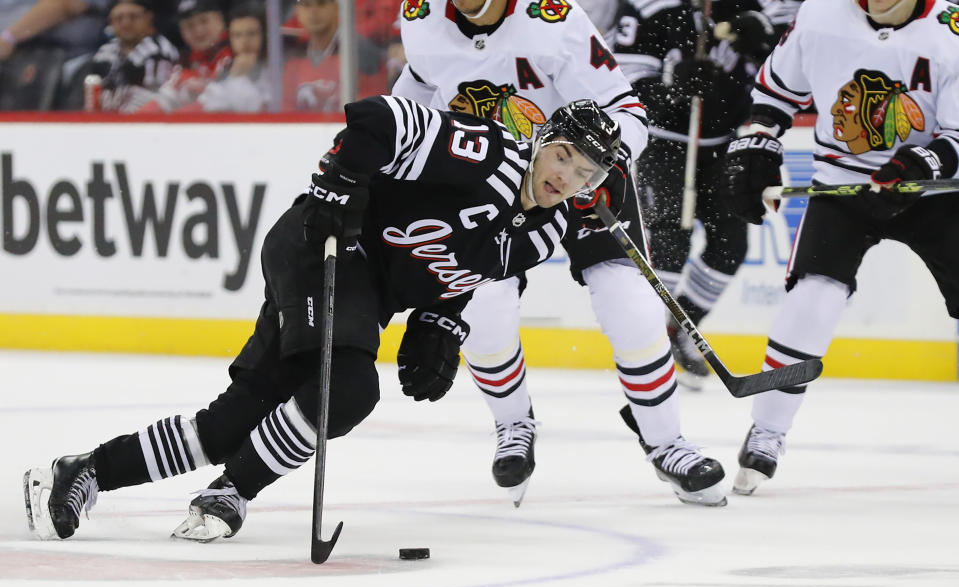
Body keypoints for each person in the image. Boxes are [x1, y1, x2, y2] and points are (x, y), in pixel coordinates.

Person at [23, 95, 623, 542]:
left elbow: (462, 276)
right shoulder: (483, 152)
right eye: (564, 157)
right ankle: (233, 491)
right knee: (351, 388)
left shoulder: (548, 232)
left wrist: (440, 324)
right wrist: (339, 180)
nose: (565, 177)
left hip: (362, 291)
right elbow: (379, 120)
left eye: (585, 174)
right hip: (322, 248)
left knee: (235, 422)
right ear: (543, 138)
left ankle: (87, 470)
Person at [393, 0, 727, 507]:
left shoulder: (552, 21)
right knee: (482, 307)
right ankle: (512, 426)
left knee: (630, 303)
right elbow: (415, 91)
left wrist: (601, 168)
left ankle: (665, 441)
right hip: (488, 186)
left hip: (576, 179)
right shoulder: (419, 15)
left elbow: (627, 112)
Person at [718, 0, 959, 495]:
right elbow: (774, 93)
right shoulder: (821, 13)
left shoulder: (950, 30)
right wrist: (759, 140)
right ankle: (767, 430)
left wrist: (920, 165)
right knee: (814, 295)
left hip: (938, 192)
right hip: (843, 185)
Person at [612, 0, 779, 389]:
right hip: (666, 144)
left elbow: (786, 70)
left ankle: (680, 330)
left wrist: (763, 46)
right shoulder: (652, 8)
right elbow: (620, 76)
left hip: (723, 144)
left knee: (731, 244)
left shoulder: (747, 7)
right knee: (670, 240)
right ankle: (650, 349)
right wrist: (670, 87)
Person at [281, 0, 387, 112]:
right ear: (297, 11)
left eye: (321, 4)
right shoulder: (292, 54)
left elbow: (370, 106)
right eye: (306, 5)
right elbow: (286, 107)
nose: (313, 12)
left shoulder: (359, 50)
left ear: (337, 8)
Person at [82, 0, 179, 112]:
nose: (125, 23)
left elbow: (158, 102)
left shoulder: (161, 52)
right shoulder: (105, 52)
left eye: (133, 17)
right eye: (119, 18)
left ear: (148, 17)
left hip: (142, 123)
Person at [134, 0, 230, 112]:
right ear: (182, 31)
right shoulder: (185, 61)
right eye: (190, 26)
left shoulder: (237, 52)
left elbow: (223, 101)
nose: (198, 30)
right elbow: (164, 99)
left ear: (220, 20)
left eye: (204, 21)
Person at [186, 2, 270, 113]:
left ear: (264, 36)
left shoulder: (281, 67)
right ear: (230, 39)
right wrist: (235, 77)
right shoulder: (223, 70)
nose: (244, 41)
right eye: (237, 35)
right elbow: (206, 108)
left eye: (251, 33)